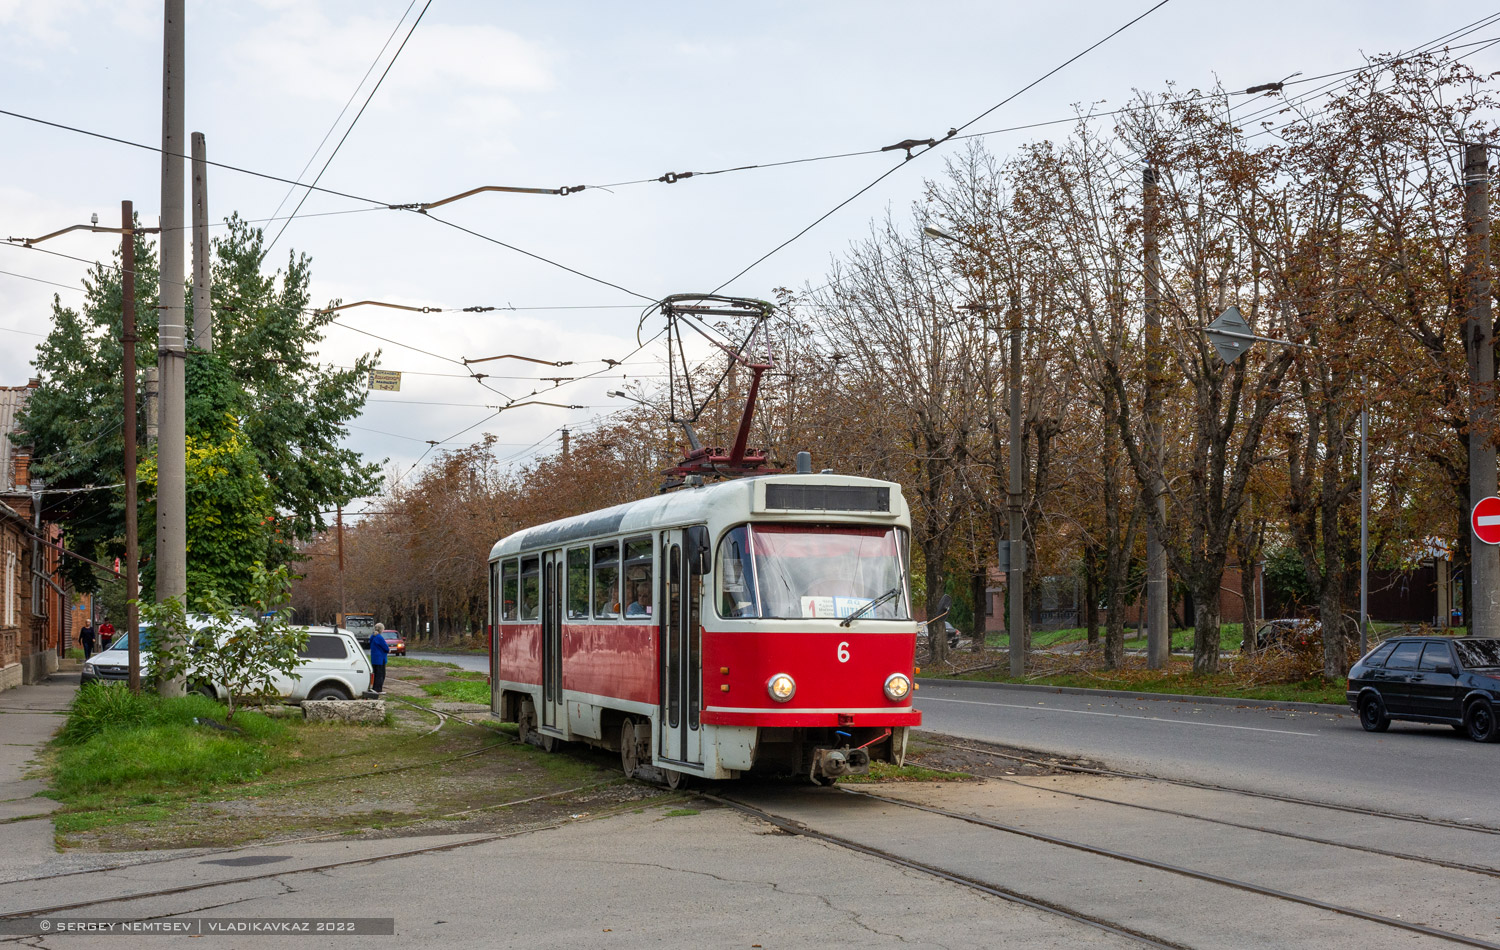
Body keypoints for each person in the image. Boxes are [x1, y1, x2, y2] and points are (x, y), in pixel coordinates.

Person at [369, 623, 389, 693]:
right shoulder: (379, 637)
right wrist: (388, 650)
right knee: (381, 675)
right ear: (381, 629)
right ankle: (378, 689)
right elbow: (385, 647)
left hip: (374, 658)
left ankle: (374, 688)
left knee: (375, 674)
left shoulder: (372, 636)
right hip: (380, 658)